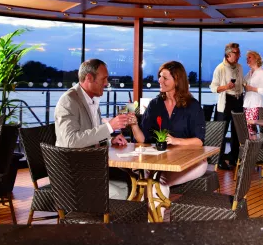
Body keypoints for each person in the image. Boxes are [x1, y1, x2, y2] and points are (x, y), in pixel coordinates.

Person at [54, 59, 132, 199]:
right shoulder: (69, 101)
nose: (107, 83)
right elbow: (71, 141)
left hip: (91, 167)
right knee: (125, 191)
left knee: (131, 182)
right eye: (104, 78)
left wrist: (110, 140)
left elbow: (90, 133)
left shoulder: (92, 100)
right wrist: (109, 126)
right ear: (89, 78)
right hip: (73, 174)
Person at [129, 61, 206, 201]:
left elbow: (199, 141)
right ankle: (147, 220)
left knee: (157, 182)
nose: (159, 80)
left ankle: (151, 221)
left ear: (176, 80)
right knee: (153, 180)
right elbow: (143, 139)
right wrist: (134, 125)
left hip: (191, 163)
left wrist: (175, 141)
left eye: (165, 78)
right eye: (160, 76)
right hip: (159, 162)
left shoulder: (192, 106)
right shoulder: (155, 104)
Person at [210, 42, 244, 170]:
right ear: (228, 54)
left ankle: (234, 158)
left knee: (237, 131)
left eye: (239, 53)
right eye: (236, 53)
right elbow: (213, 88)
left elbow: (242, 83)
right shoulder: (220, 68)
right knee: (222, 132)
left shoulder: (240, 67)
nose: (239, 55)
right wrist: (226, 87)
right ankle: (219, 160)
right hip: (226, 101)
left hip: (238, 100)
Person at [243, 50, 263, 136]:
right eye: (246, 58)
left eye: (249, 57)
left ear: (256, 59)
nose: (247, 59)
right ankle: (249, 148)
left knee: (251, 129)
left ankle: (253, 148)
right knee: (246, 130)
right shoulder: (248, 74)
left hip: (255, 105)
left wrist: (252, 88)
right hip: (246, 104)